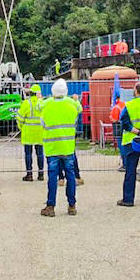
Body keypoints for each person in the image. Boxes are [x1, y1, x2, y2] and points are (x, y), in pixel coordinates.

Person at [39, 79, 78, 217]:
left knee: (52, 177)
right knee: (71, 176)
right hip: (67, 147)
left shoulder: (46, 104)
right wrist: (74, 99)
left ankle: (50, 206)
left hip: (52, 147)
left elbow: (42, 120)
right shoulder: (72, 104)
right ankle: (72, 205)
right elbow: (78, 109)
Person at [17, 87, 44, 181]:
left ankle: (29, 174)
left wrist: (21, 127)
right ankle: (41, 174)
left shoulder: (26, 103)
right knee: (40, 153)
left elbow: (20, 117)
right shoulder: (42, 103)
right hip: (40, 132)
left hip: (28, 132)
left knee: (28, 154)